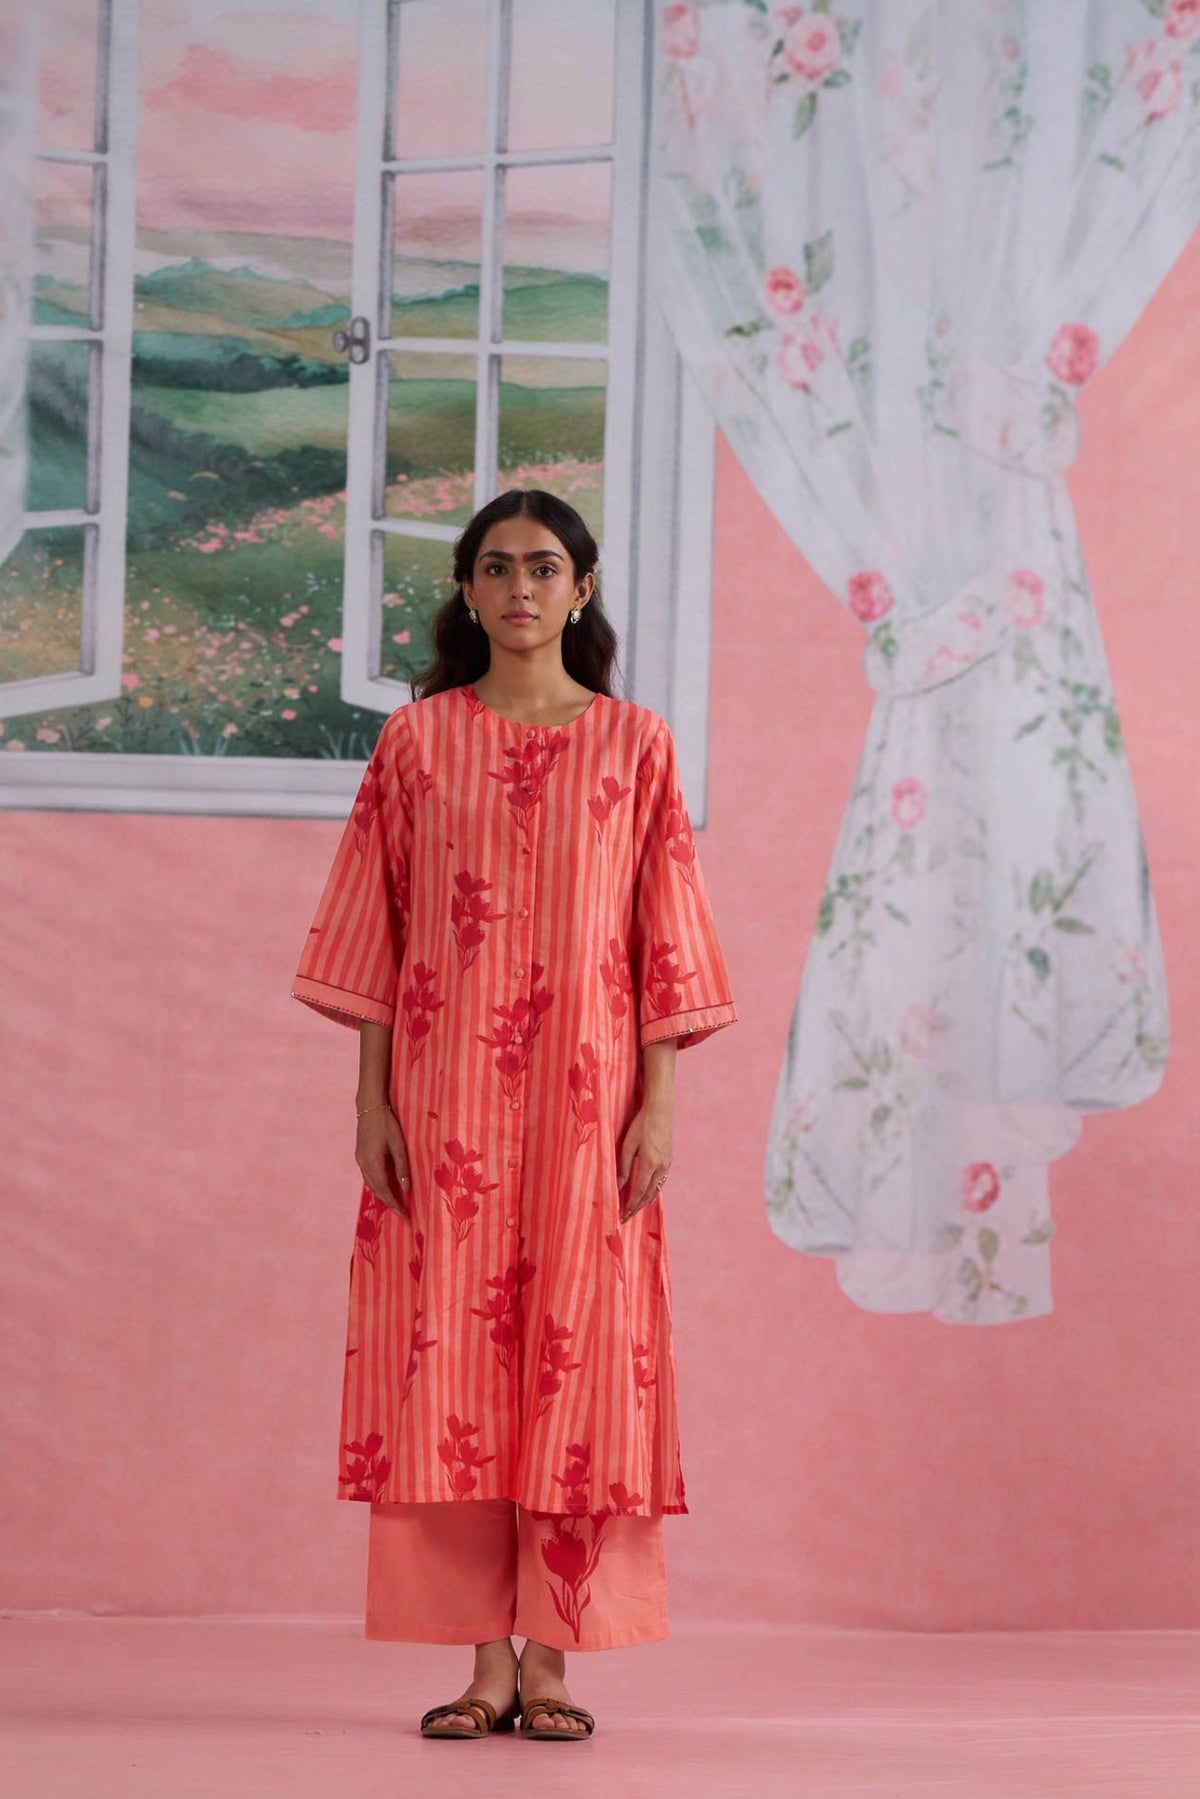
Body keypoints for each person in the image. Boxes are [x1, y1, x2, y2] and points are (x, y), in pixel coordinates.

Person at [292, 487, 736, 1740]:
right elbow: (372, 926)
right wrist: (370, 1097)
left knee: (581, 1362)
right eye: (498, 568)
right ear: (469, 591)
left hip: (594, 1107)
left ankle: (556, 1657)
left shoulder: (637, 745)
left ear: (580, 588)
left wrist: (660, 1111)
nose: (522, 588)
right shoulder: (418, 743)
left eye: (546, 567)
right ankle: (485, 1660)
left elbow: (667, 943)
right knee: (454, 1362)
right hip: (446, 1106)